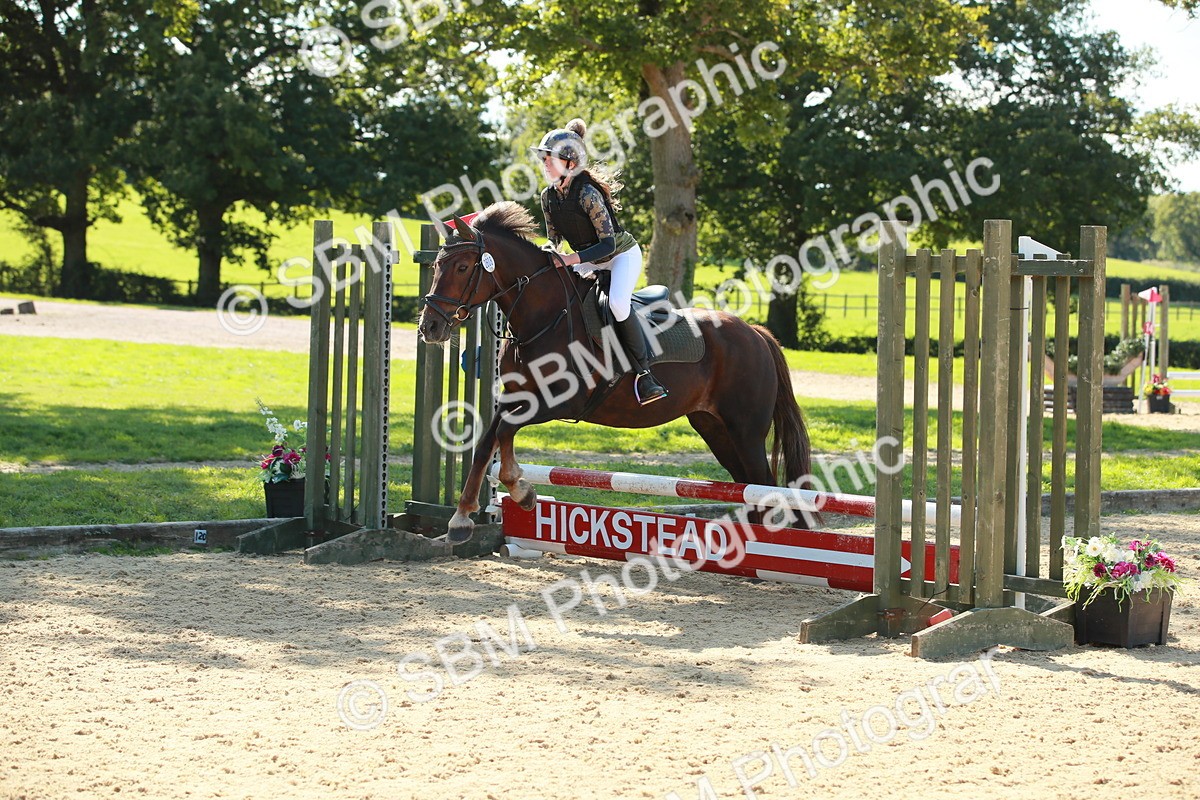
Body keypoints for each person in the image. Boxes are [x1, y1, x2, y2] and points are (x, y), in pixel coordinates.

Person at [532, 118, 668, 405]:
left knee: (618, 304)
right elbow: (553, 238)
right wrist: (548, 250)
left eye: (550, 157)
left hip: (619, 255)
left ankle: (645, 374)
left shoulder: (588, 194)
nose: (544, 162)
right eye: (543, 157)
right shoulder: (547, 197)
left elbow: (606, 243)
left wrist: (570, 259)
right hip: (587, 259)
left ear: (570, 163)